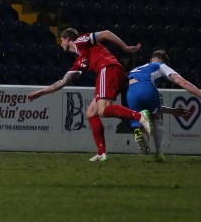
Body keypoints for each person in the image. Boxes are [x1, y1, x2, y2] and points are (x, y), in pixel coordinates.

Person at [26, 27, 153, 162]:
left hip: (107, 68)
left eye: (61, 40)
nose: (60, 44)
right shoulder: (79, 61)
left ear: (68, 39)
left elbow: (105, 33)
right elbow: (62, 82)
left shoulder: (81, 41)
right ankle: (101, 153)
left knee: (102, 110)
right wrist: (41, 93)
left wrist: (126, 48)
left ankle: (140, 116)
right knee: (91, 112)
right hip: (113, 70)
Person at [126, 49, 197, 161]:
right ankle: (159, 153)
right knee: (156, 117)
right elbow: (182, 82)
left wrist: (173, 111)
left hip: (130, 93)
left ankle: (139, 132)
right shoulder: (160, 65)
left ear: (150, 60)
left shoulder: (135, 69)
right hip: (147, 89)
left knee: (140, 118)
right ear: (165, 62)